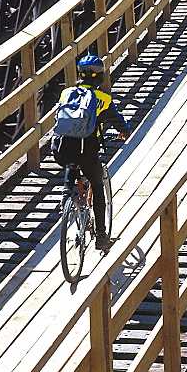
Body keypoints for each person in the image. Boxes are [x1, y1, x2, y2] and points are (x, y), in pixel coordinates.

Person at [52, 55, 130, 250]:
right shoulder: (102, 99)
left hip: (61, 148)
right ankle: (102, 236)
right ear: (100, 77)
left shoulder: (66, 93)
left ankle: (67, 193)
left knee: (71, 163)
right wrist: (125, 132)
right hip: (86, 149)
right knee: (97, 185)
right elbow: (118, 121)